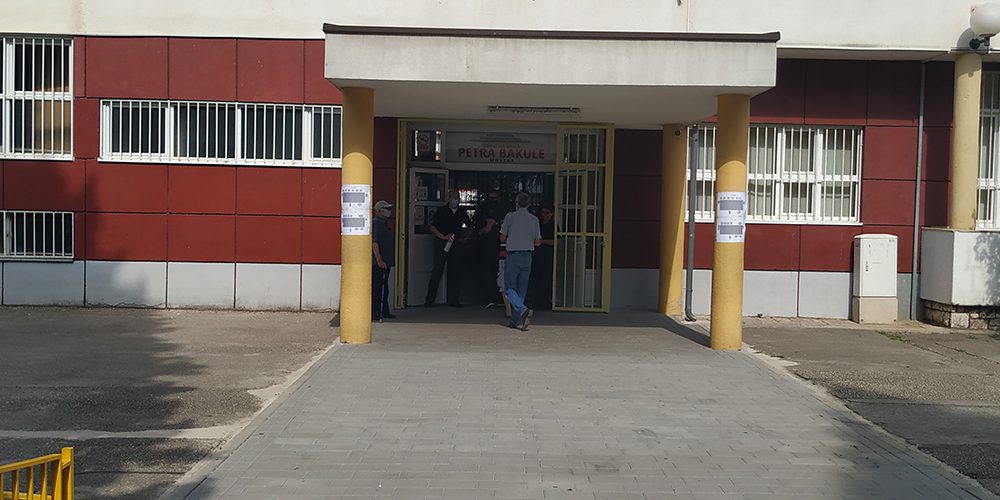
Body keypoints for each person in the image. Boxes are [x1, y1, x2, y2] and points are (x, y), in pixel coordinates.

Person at [499, 192, 541, 330]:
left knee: (509, 288)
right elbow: (538, 242)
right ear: (529, 204)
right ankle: (515, 321)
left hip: (513, 255)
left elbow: (502, 237)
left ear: (516, 203)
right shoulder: (534, 219)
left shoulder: (510, 217)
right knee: (521, 291)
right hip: (527, 256)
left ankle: (523, 311)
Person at [424, 189, 472, 307]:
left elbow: (470, 226)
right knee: (437, 270)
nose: (456, 200)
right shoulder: (441, 211)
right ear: (449, 199)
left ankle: (454, 300)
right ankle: (429, 299)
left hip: (456, 243)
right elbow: (432, 227)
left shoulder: (462, 212)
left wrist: (465, 238)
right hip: (442, 242)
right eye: (454, 198)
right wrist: (443, 237)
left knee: (455, 271)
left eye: (458, 198)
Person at [475, 190, 504, 305]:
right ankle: (494, 296)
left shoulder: (493, 211)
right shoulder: (500, 210)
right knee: (496, 271)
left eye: (493, 198)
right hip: (497, 245)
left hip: (490, 245)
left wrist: (480, 232)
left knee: (490, 271)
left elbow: (487, 228)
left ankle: (490, 297)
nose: (491, 201)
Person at [371, 200, 396, 322]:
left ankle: (385, 311)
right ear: (379, 211)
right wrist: (379, 260)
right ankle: (375, 312)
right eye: (386, 209)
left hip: (386, 261)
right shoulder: (377, 223)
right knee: (377, 288)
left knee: (384, 287)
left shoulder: (385, 223)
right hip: (379, 263)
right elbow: (374, 243)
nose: (388, 211)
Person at [529, 205, 555, 310]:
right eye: (543, 212)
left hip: (547, 256)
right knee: (535, 278)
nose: (545, 215)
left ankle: (546, 302)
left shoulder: (553, 225)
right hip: (536, 255)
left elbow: (556, 241)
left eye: (547, 212)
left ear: (552, 214)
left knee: (546, 279)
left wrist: (542, 241)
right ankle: (536, 301)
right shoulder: (537, 224)